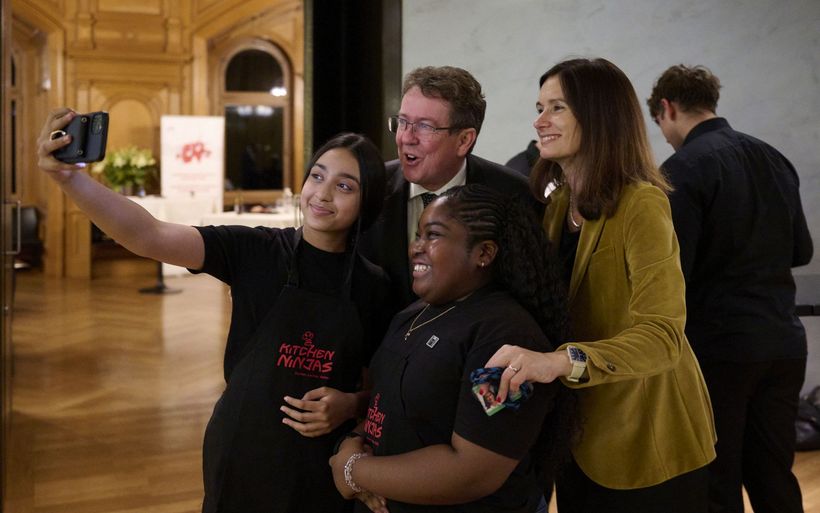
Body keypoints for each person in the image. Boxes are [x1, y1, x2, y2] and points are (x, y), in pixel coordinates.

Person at [37, 109, 392, 513]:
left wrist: (351, 404)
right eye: (317, 176)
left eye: (344, 185)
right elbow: (147, 234)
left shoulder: (375, 285)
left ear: (368, 202)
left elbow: (379, 386)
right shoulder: (255, 251)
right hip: (243, 445)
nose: (323, 193)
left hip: (322, 460)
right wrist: (70, 178)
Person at [485, 58, 717, 513]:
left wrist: (559, 362)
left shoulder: (642, 203)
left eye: (557, 108)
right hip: (579, 439)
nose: (539, 120)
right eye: (539, 106)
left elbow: (662, 338)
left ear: (599, 115)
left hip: (647, 442)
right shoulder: (558, 206)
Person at [330, 184, 575, 513]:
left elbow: (473, 471)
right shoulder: (413, 313)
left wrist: (354, 472)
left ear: (484, 253)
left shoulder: (507, 335)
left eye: (432, 235)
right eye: (417, 235)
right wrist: (352, 443)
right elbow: (386, 405)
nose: (416, 247)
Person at [647, 64, 813, 513]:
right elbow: (801, 250)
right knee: (774, 474)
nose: (664, 135)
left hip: (720, 348)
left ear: (667, 108)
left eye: (660, 125)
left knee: (715, 479)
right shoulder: (774, 157)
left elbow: (673, 268)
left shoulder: (681, 169)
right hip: (783, 341)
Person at [359, 65, 541, 310]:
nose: (406, 138)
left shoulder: (514, 195)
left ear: (464, 140)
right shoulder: (369, 187)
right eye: (403, 122)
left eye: (424, 126)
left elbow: (527, 296)